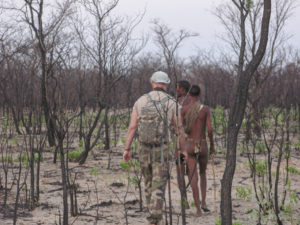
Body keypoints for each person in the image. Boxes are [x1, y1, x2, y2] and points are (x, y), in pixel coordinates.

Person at [123, 71, 186, 225]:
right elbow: (179, 129)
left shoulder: (141, 101)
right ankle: (155, 219)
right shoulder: (172, 103)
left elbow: (132, 127)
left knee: (148, 183)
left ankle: (153, 215)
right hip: (162, 149)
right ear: (166, 84)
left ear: (152, 83)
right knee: (159, 184)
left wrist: (126, 149)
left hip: (143, 148)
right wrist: (181, 150)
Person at [179, 84, 215, 217]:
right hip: (202, 143)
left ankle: (198, 210)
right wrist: (212, 145)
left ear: (189, 95)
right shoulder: (205, 109)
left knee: (192, 175)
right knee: (203, 173)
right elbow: (210, 130)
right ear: (199, 95)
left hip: (189, 144)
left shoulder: (183, 110)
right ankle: (204, 202)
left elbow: (181, 131)